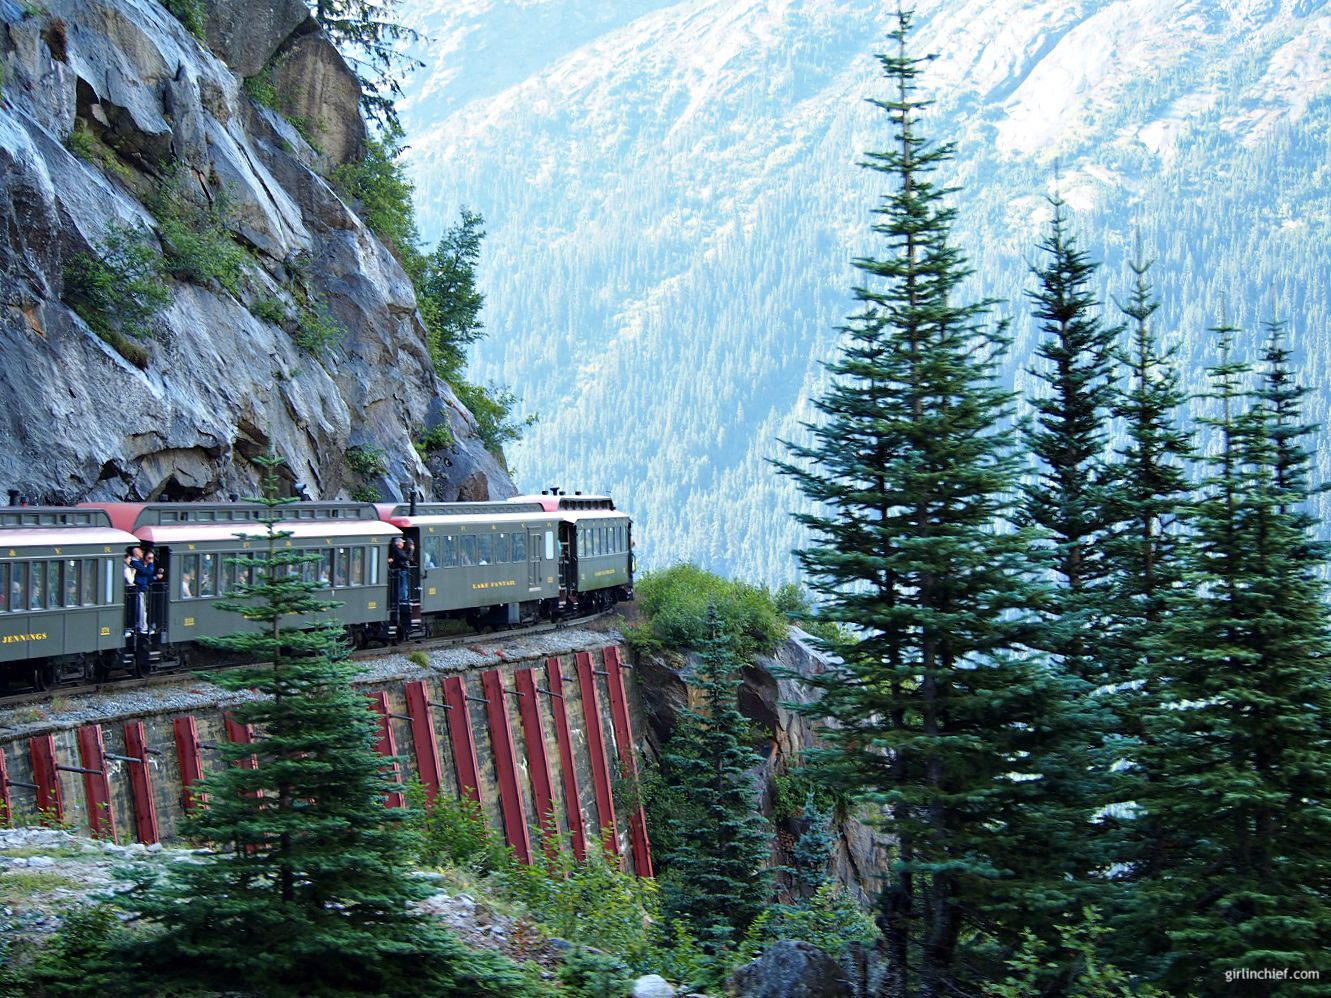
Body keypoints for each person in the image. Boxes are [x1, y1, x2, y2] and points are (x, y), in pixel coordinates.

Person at [389, 537, 411, 605]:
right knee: (403, 585)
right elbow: (406, 557)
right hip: (401, 570)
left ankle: (403, 598)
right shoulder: (397, 550)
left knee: (403, 585)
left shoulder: (399, 550)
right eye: (402, 542)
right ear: (398, 543)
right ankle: (403, 599)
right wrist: (411, 550)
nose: (403, 544)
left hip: (401, 570)